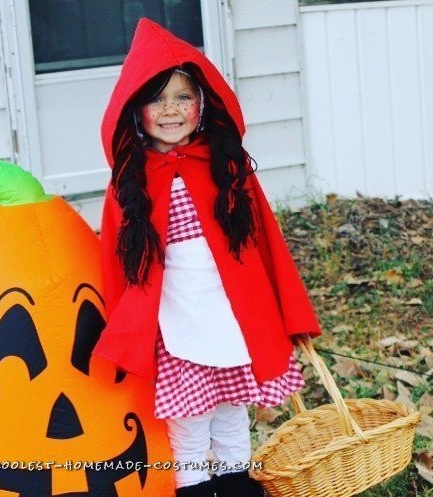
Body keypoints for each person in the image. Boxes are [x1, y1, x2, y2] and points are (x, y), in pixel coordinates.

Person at [93, 18, 322, 497]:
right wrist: (125, 332)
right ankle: (194, 487)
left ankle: (238, 486)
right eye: (157, 98)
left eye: (182, 96)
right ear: (136, 109)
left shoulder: (226, 166)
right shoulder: (129, 183)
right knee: (189, 423)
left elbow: (267, 246)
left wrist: (288, 313)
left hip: (231, 314)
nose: (171, 109)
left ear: (202, 104)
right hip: (175, 319)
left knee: (232, 415)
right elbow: (118, 266)